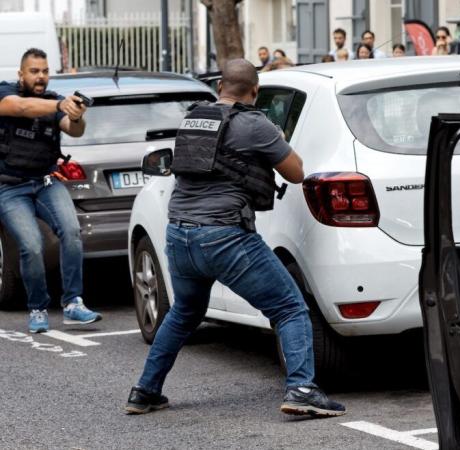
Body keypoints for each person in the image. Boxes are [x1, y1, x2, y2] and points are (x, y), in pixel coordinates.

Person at [125, 59, 346, 418]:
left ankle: (145, 391)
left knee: (184, 311)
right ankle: (303, 389)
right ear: (254, 92)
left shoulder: (195, 117)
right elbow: (295, 172)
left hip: (180, 234)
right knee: (289, 307)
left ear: (220, 88)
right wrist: (280, 141)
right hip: (224, 236)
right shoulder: (255, 124)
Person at [0, 48, 101, 333]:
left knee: (71, 231)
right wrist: (60, 106)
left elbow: (73, 129)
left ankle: (72, 304)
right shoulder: (5, 93)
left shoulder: (55, 101)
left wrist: (77, 114)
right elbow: (21, 108)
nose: (41, 76)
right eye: (34, 71)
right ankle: (38, 308)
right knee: (31, 245)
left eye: (45, 71)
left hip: (45, 182)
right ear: (21, 74)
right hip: (9, 187)